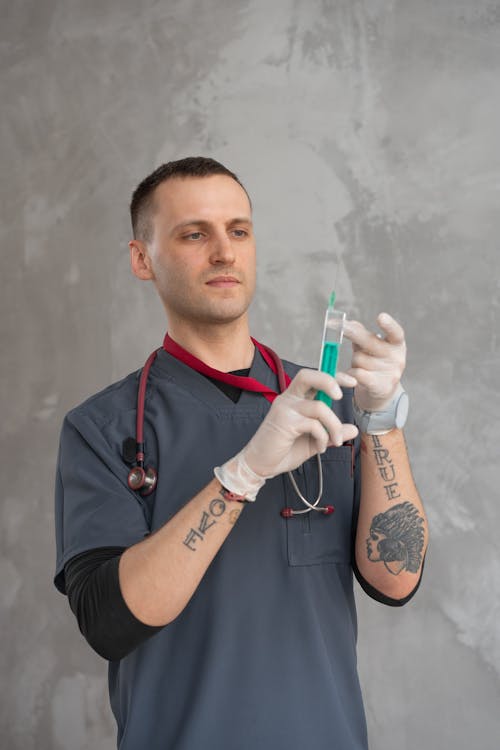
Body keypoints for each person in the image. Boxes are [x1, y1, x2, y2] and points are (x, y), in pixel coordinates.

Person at [54, 156, 428, 750]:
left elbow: (397, 578)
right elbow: (108, 622)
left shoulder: (327, 401)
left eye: (239, 230)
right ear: (142, 259)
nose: (224, 252)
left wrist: (381, 421)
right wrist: (244, 473)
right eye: (194, 233)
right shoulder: (101, 428)